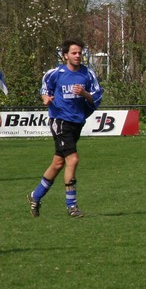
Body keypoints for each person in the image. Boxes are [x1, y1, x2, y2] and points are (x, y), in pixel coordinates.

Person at [27, 38, 103, 218]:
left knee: (58, 163)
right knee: (73, 159)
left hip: (77, 122)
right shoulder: (55, 73)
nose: (78, 56)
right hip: (60, 120)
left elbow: (97, 97)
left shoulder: (88, 74)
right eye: (74, 53)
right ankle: (72, 206)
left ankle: (35, 196)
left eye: (80, 53)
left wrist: (84, 93)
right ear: (65, 55)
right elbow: (45, 90)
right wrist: (46, 99)